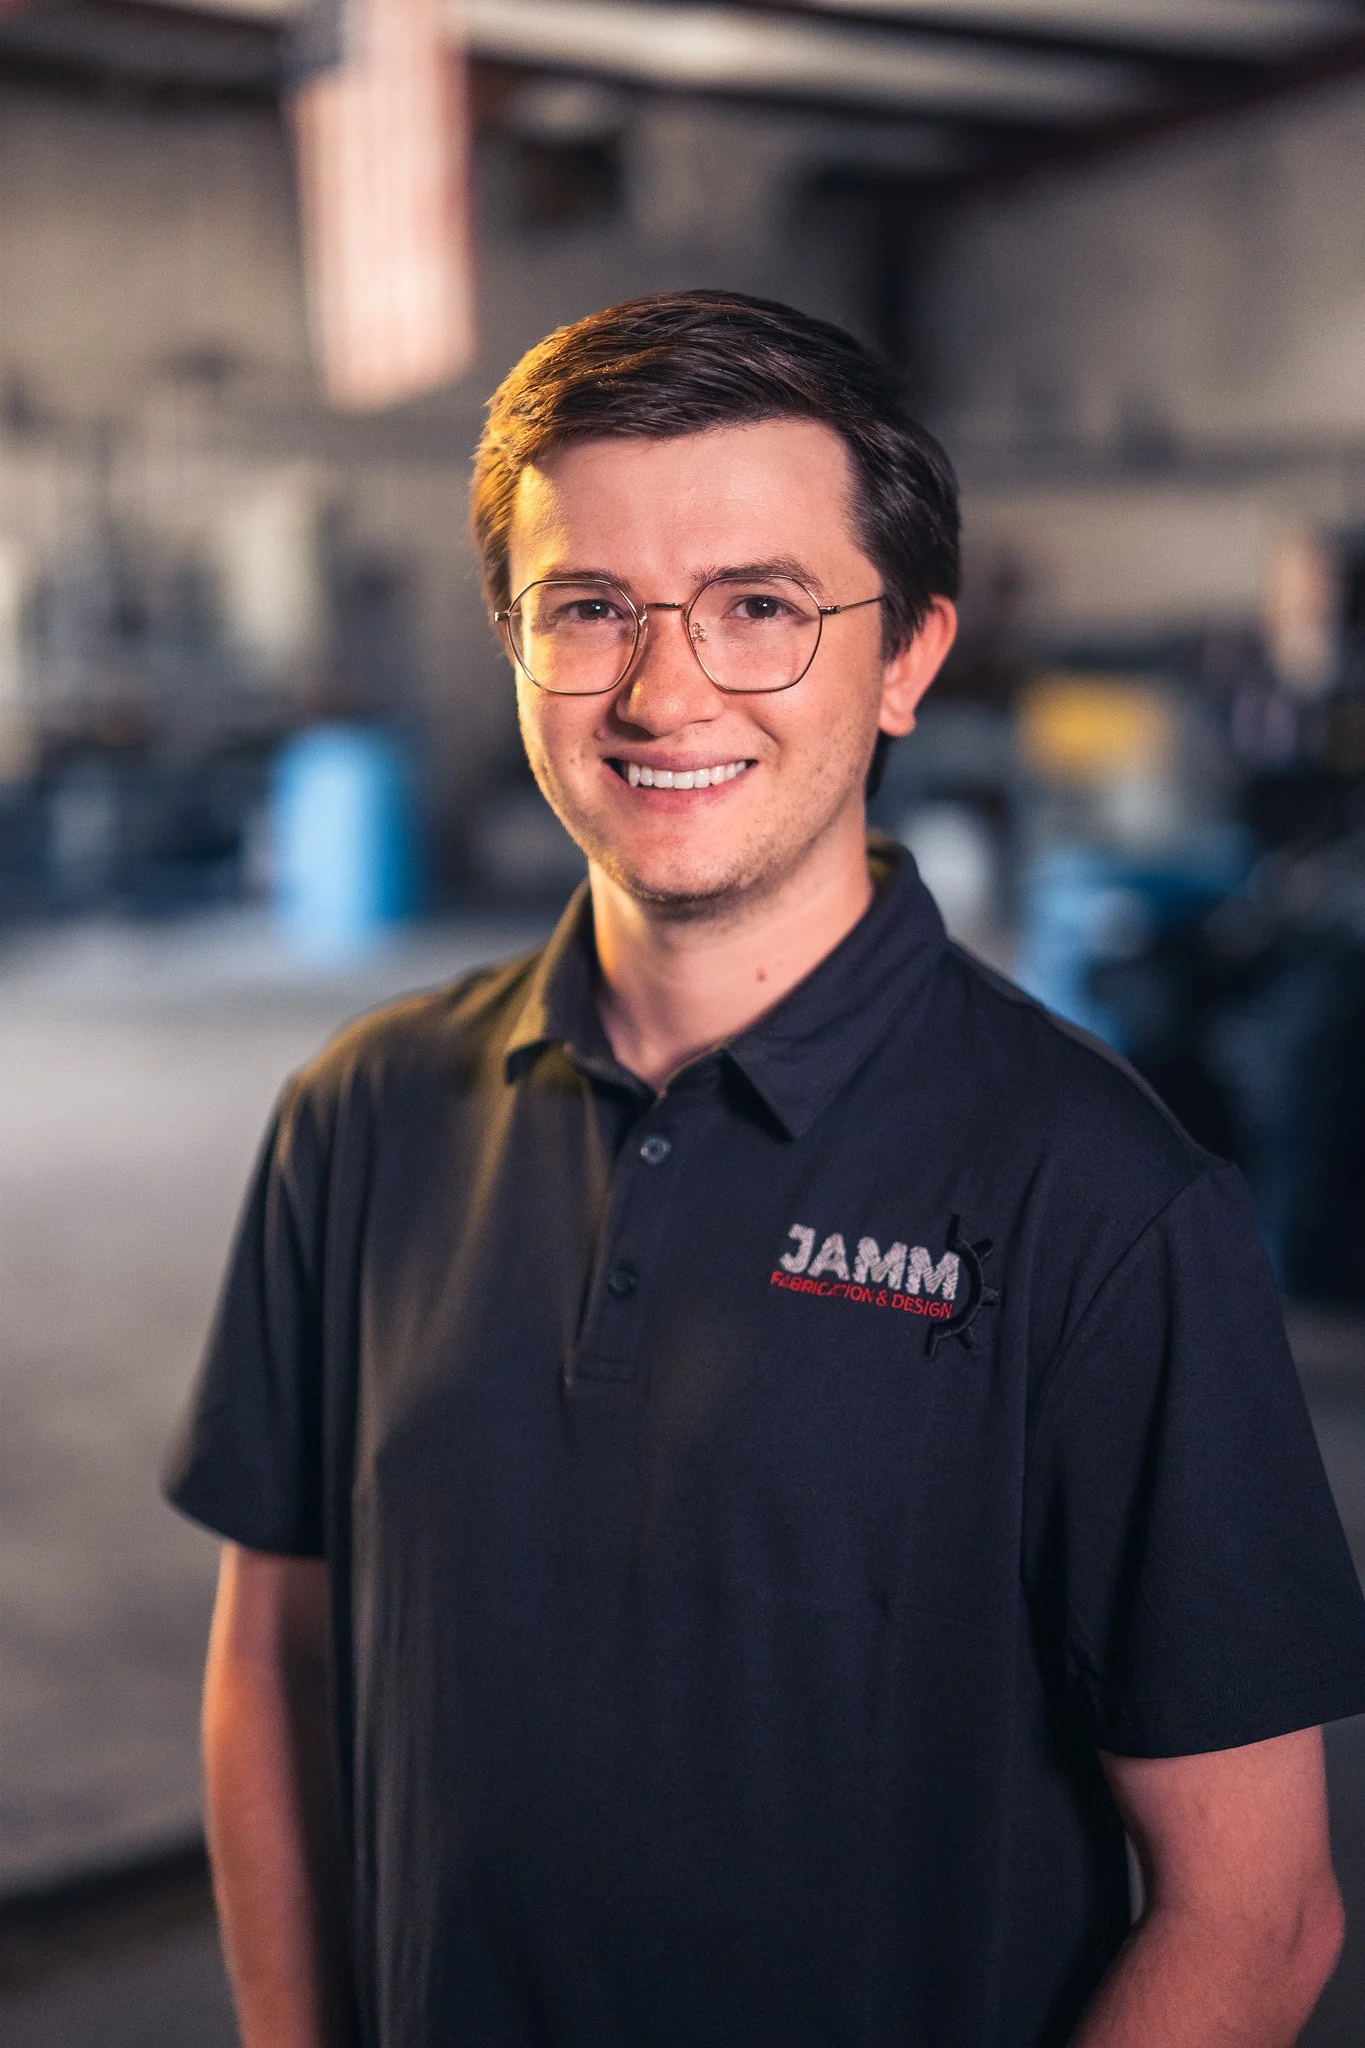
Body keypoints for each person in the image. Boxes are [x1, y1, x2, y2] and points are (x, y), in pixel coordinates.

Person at [165, 290, 1365, 2048]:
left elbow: (1254, 1918)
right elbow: (275, 1664)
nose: (665, 691)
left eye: (760, 609)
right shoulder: (360, 1119)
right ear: (513, 639)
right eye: (590, 608)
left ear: (908, 656)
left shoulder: (1100, 1202)